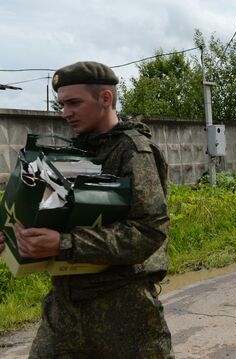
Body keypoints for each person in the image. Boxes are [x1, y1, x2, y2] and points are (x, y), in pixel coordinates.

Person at [0, 61, 174, 358]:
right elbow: (52, 212)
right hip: (66, 304)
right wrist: (13, 238)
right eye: (62, 104)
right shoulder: (72, 151)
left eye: (74, 103)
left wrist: (64, 243)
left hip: (123, 308)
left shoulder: (134, 151)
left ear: (105, 98)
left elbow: (149, 232)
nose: (66, 112)